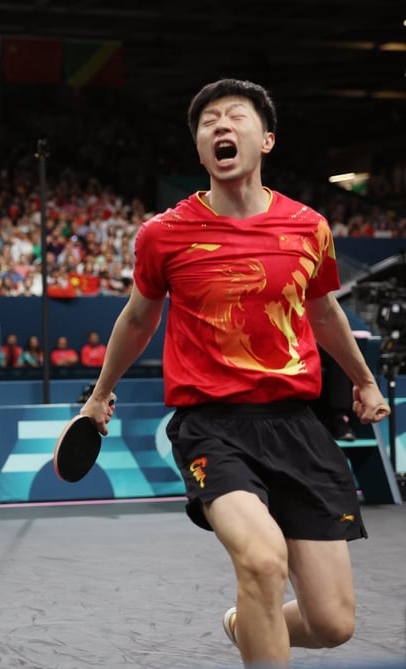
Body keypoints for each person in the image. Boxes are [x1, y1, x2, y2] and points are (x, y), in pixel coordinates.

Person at [74, 79, 390, 668]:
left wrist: (365, 380)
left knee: (332, 622)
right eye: (208, 121)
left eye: (235, 117)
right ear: (199, 150)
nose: (221, 126)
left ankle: (244, 623)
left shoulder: (308, 227)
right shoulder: (163, 234)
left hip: (298, 425)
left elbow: (323, 312)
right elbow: (138, 318)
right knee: (263, 561)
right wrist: (99, 396)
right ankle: (258, 611)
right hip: (213, 426)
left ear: (265, 138)